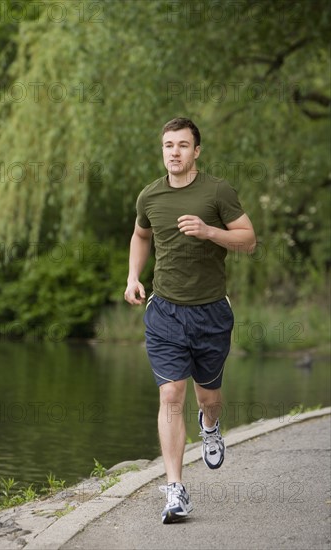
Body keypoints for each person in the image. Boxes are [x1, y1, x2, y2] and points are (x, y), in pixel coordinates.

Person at [124, 117, 256, 524]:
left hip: (211, 311)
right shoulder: (150, 196)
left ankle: (211, 427)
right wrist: (132, 277)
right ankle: (175, 490)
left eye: (183, 145)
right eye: (168, 145)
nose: (175, 152)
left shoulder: (217, 192)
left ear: (196, 151)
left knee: (208, 399)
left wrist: (208, 231)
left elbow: (248, 240)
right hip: (165, 311)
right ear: (162, 150)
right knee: (170, 396)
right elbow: (141, 235)